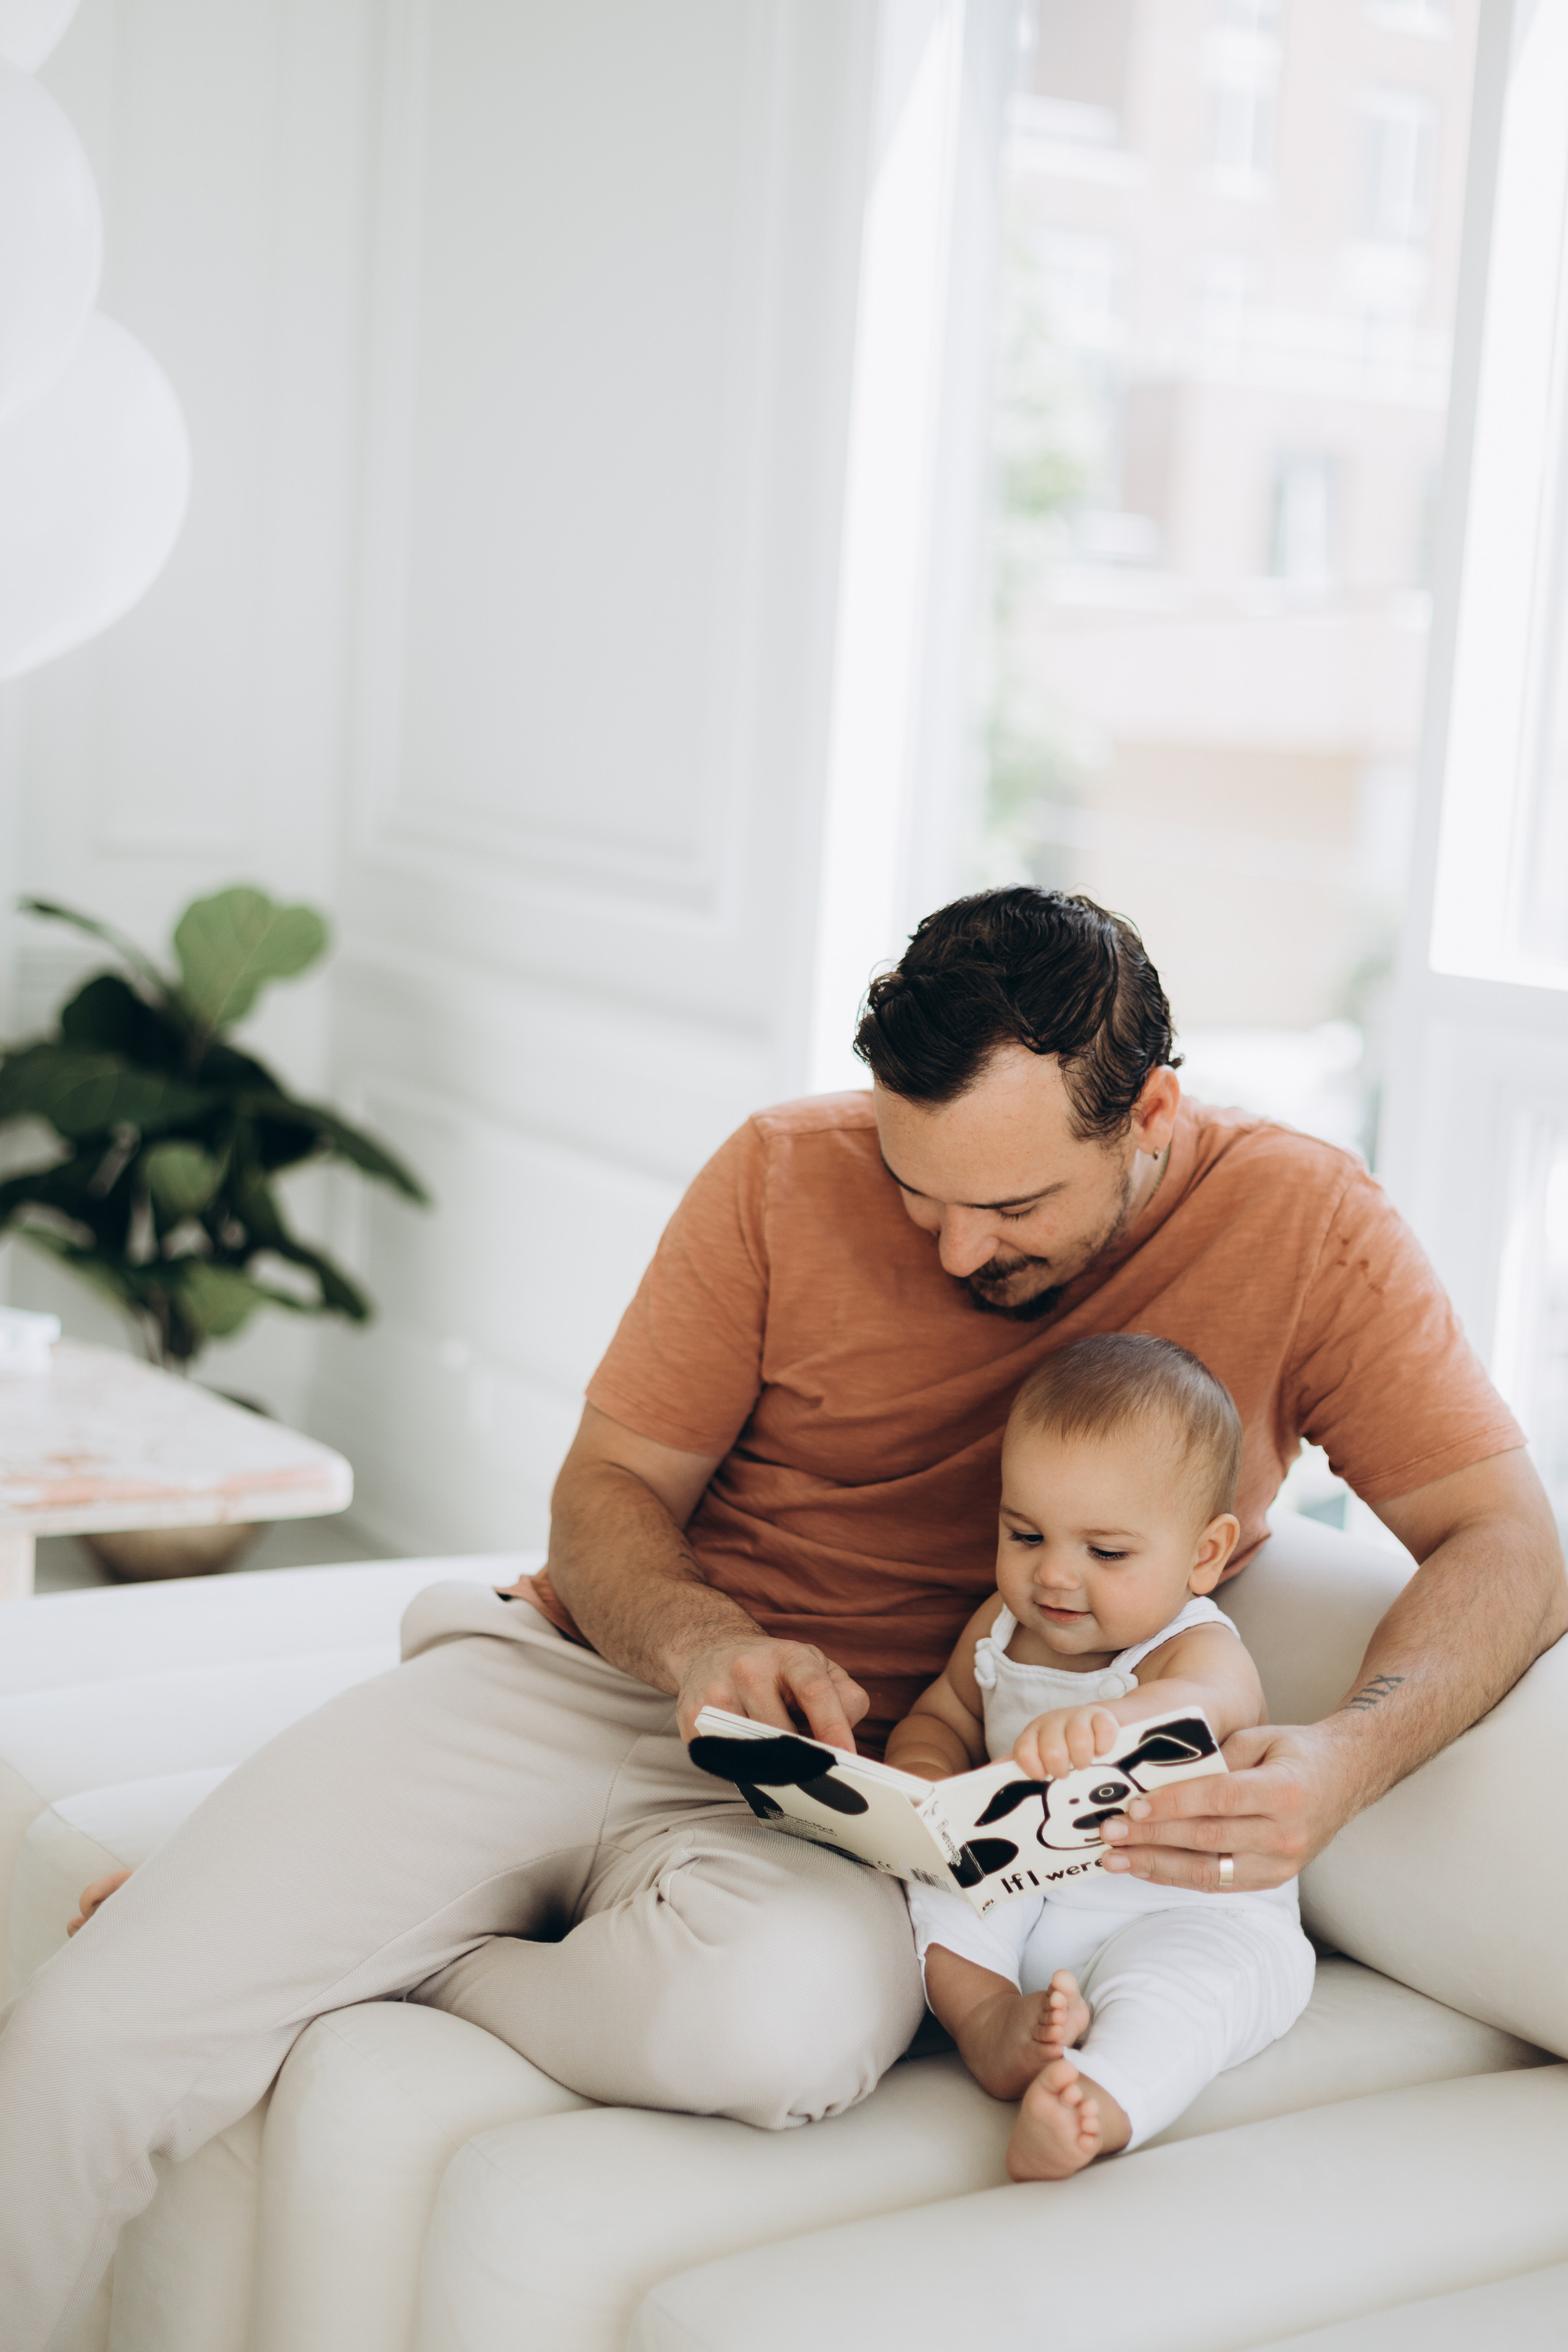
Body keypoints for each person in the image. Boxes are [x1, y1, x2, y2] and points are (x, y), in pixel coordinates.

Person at [1, 889, 1562, 2350]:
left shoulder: (1305, 1226)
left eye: (1011, 1203)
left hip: (854, 1814)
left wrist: (1347, 1759)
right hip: (593, 1681)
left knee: (778, 2037)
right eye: (915, 1191)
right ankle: (327, 1913)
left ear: (1149, 1114)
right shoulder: (776, 1171)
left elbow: (1505, 1541)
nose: (955, 1249)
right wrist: (697, 1643)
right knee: (88, 2044)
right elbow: (604, 1492)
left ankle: (404, 1951)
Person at [888, 1332, 1314, 2180]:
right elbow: (943, 1712)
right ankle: (990, 2025)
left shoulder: (1193, 1647)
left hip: (1185, 1909)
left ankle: (1097, 2102)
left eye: (1105, 1552)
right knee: (938, 1895)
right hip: (1030, 1886)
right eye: (1025, 1535)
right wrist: (928, 1778)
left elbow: (1212, 1703)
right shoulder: (1000, 1631)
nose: (1054, 1575)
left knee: (1185, 1994)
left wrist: (1113, 1720)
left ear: (1203, 1555)